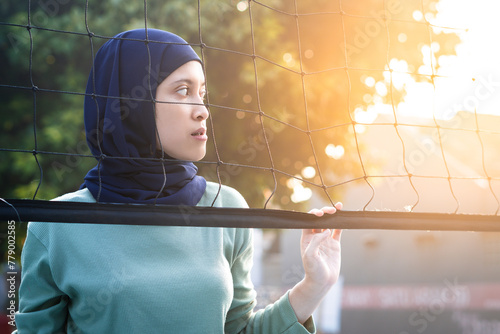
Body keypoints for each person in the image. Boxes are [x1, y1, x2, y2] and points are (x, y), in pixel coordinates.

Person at [14, 28, 342, 333]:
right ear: (130, 104)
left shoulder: (227, 207)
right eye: (182, 90)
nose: (202, 110)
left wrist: (313, 286)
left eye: (202, 92)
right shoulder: (56, 223)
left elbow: (237, 329)